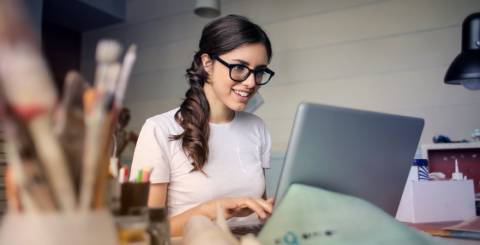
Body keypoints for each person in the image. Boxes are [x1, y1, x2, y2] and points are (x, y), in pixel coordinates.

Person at [130, 15, 275, 236]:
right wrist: (211, 210)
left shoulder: (257, 128)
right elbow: (144, 231)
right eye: (239, 68)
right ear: (207, 63)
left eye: (259, 71)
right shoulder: (159, 130)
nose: (251, 82)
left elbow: (260, 210)